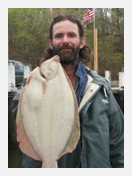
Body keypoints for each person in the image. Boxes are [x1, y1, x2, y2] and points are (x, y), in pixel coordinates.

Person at [12, 15, 124, 168]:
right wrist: (29, 86)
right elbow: (16, 115)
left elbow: (119, 143)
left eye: (71, 35)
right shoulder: (34, 82)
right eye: (59, 36)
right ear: (51, 43)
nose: (65, 40)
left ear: (82, 41)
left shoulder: (101, 88)